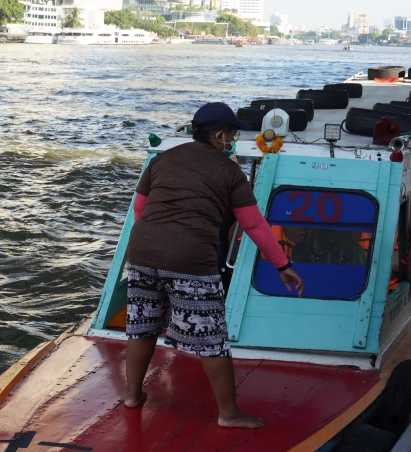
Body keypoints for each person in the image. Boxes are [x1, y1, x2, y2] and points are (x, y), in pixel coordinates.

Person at [126, 102, 304, 429]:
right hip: (190, 258)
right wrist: (282, 264)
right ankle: (229, 414)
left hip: (141, 254)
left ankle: (132, 396)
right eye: (233, 134)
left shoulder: (163, 159)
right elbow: (253, 225)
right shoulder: (229, 172)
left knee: (143, 325)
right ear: (220, 135)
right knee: (212, 339)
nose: (234, 139)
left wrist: (151, 244)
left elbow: (140, 208)